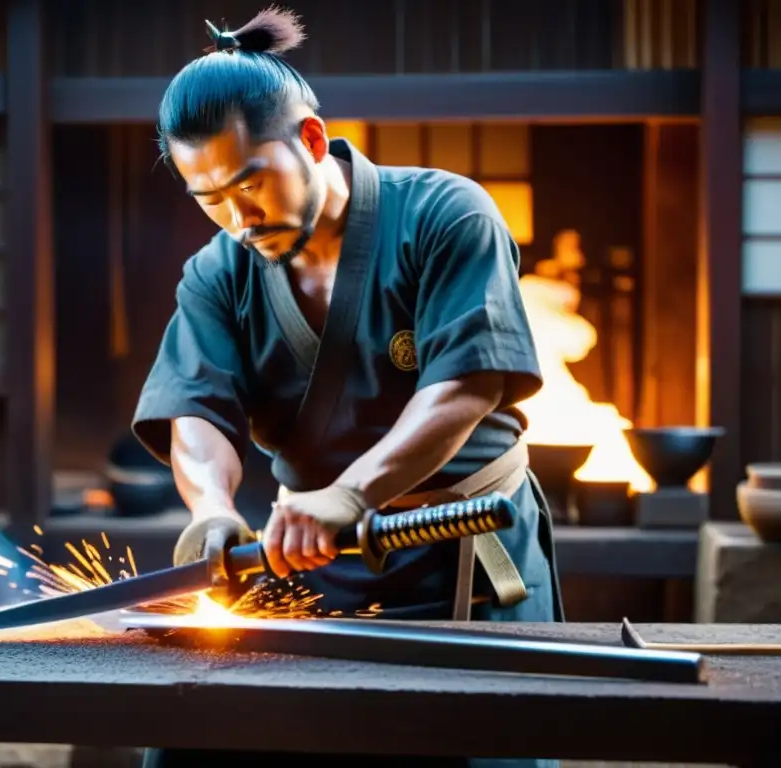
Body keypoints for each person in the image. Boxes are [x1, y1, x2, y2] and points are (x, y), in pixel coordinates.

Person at [132, 7, 563, 768]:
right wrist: (212, 509)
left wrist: (354, 492)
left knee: (491, 748)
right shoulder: (217, 272)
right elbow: (196, 410)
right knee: (199, 741)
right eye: (209, 199)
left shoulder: (444, 214)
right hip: (308, 563)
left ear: (309, 140)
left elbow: (465, 385)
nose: (238, 218)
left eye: (249, 184)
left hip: (464, 549)